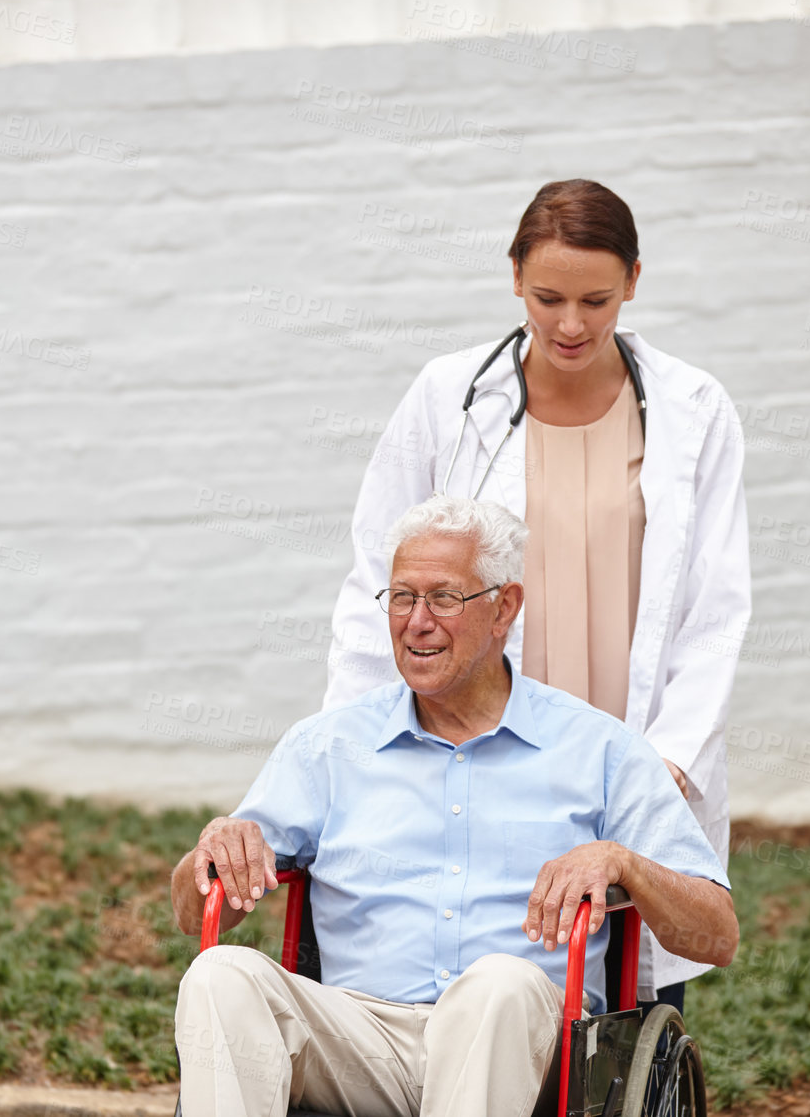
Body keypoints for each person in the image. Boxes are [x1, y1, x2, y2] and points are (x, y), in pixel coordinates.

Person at [323, 179, 750, 1011]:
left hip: (624, 736)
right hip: (478, 728)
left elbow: (715, 607)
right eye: (548, 296)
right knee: (468, 946)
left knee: (623, 978)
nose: (570, 324)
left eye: (596, 299)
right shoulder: (449, 399)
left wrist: (664, 762)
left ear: (634, 280)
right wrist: (362, 737)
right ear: (514, 275)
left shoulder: (695, 411)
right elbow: (378, 577)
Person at [172, 497, 736, 1117]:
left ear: (505, 608)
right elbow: (195, 911)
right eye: (402, 598)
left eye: (443, 598)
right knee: (221, 975)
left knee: (497, 984)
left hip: (529, 1040)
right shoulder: (326, 747)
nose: (416, 621)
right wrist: (212, 852)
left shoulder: (599, 749)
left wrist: (623, 862)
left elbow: (716, 934)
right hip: (362, 1035)